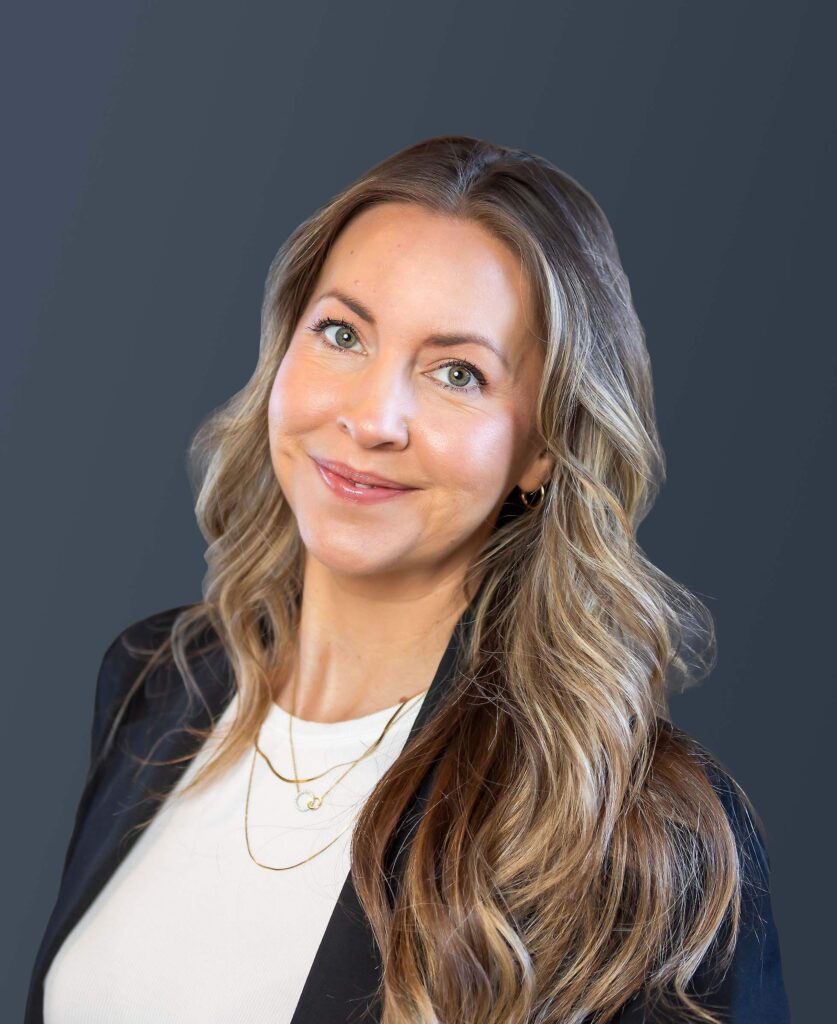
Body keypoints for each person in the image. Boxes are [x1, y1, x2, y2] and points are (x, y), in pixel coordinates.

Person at [25, 135, 792, 1024]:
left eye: (456, 374)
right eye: (341, 334)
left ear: (541, 449)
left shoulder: (636, 830)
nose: (371, 418)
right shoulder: (154, 680)